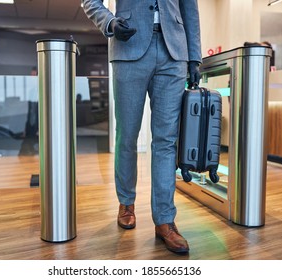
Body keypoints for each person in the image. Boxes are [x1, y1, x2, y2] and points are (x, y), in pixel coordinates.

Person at [82, 0, 202, 254]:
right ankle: (126, 203)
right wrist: (110, 23)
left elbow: (189, 7)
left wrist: (194, 56)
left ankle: (165, 220)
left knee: (166, 141)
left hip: (174, 52)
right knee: (127, 135)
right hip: (129, 46)